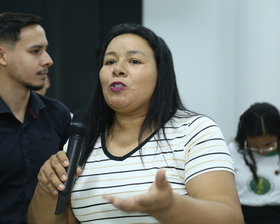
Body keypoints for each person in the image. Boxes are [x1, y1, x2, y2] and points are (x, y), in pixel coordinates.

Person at [28, 23, 244, 224]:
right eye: (110, 61)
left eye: (134, 61)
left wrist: (172, 207)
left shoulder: (194, 131)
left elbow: (230, 218)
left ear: (161, 74)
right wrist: (46, 187)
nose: (118, 69)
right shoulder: (82, 142)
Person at [0, 12, 71, 224]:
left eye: (45, 50)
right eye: (35, 51)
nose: (48, 60)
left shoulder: (58, 115)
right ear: (2, 56)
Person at [227, 102, 280, 224]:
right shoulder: (233, 150)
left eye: (268, 145)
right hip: (242, 214)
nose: (261, 151)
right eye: (254, 146)